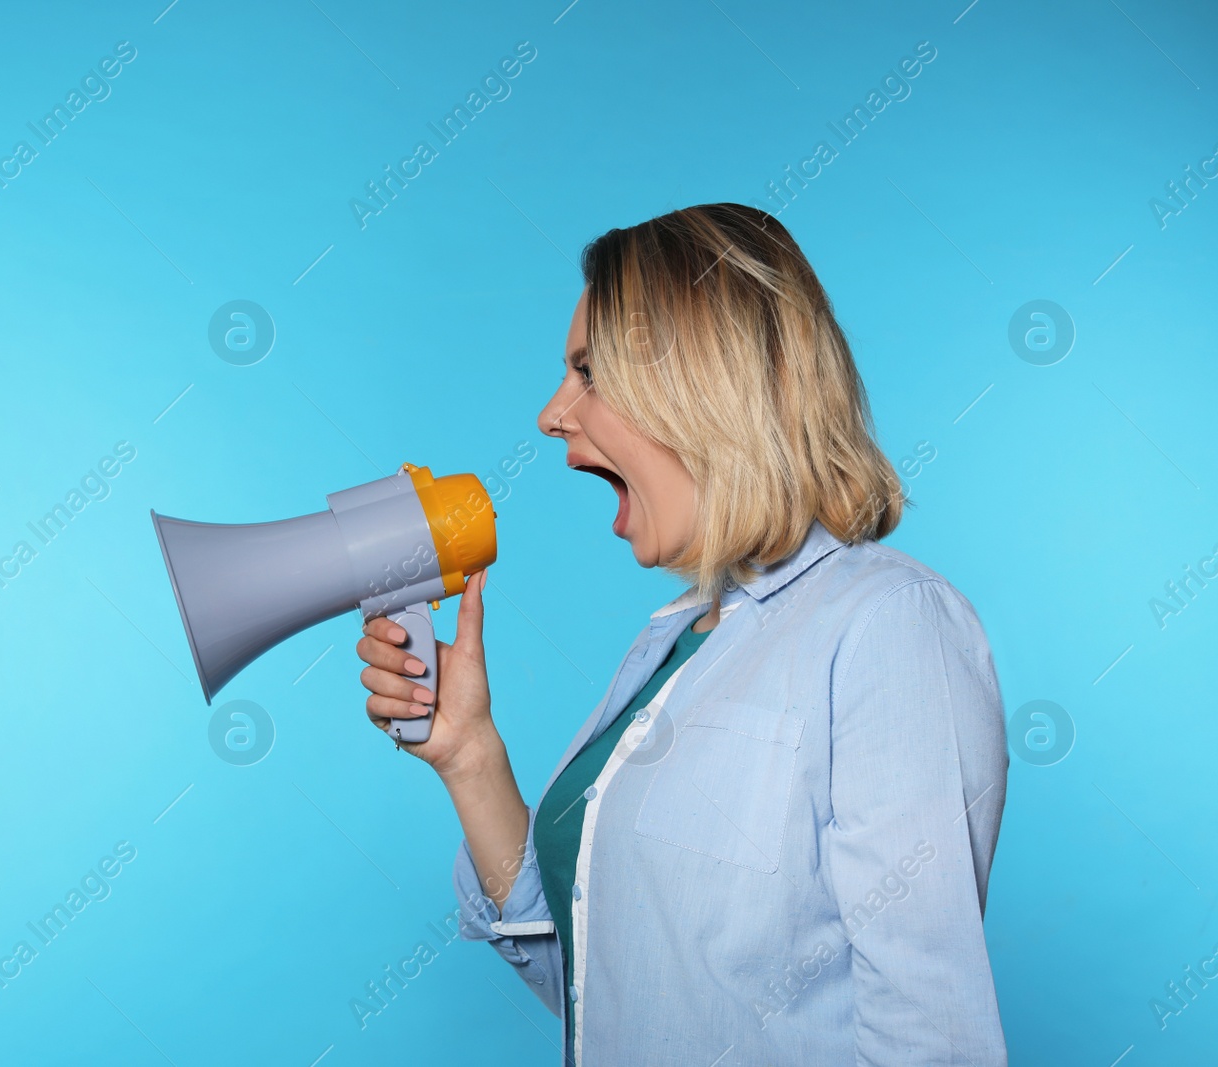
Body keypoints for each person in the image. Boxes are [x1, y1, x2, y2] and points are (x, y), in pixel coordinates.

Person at [355, 203, 1008, 1066]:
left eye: (589, 370)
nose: (553, 414)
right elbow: (614, 995)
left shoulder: (887, 627)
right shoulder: (675, 644)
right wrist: (469, 751)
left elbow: (935, 1040)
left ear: (707, 384)